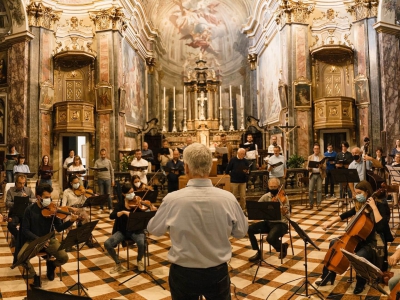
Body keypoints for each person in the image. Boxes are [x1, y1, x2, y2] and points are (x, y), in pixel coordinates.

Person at [147, 143, 248, 300]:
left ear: (186, 168)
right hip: (216, 271)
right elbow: (241, 232)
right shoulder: (228, 198)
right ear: (209, 168)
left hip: (183, 272)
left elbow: (154, 230)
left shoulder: (172, 199)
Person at [319, 180, 392, 294]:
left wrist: (374, 207)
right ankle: (328, 275)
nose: (357, 195)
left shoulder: (379, 205)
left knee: (359, 256)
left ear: (367, 192)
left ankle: (360, 283)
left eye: (359, 193)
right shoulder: (362, 205)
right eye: (356, 192)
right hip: (358, 239)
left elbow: (382, 227)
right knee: (334, 243)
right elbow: (347, 213)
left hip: (372, 241)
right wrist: (330, 223)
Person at [19, 184, 78, 282]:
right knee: (21, 257)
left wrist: (71, 221)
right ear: (38, 197)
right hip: (34, 240)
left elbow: (59, 228)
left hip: (50, 240)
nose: (49, 200)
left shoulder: (53, 209)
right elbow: (25, 230)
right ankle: (35, 276)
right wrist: (39, 240)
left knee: (64, 258)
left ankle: (51, 265)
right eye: (46, 197)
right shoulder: (29, 210)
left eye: (50, 197)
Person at [104, 182, 157, 274]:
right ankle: (118, 264)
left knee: (141, 243)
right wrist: (122, 212)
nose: (132, 194)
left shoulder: (138, 202)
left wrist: (151, 207)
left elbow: (148, 211)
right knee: (107, 244)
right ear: (124, 194)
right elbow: (111, 216)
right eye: (129, 193)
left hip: (136, 230)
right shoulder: (120, 205)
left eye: (133, 192)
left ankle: (139, 260)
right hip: (123, 231)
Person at [248, 177, 290, 262]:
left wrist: (283, 211)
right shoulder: (265, 196)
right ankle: (258, 252)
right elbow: (257, 207)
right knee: (250, 229)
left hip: (281, 224)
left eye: (275, 187)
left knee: (270, 238)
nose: (273, 189)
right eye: (271, 187)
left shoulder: (284, 197)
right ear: (268, 186)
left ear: (279, 187)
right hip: (268, 223)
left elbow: (288, 215)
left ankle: (282, 247)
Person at [6, 174, 36, 242]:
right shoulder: (10, 191)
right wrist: (18, 203)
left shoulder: (28, 190)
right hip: (15, 213)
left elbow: (34, 200)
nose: (22, 185)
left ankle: (18, 239)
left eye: (23, 183)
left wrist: (27, 199)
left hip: (26, 214)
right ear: (16, 182)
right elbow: (7, 203)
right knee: (10, 225)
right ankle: (19, 238)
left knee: (31, 226)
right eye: (20, 183)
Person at [305, 143, 326, 210]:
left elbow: (325, 167)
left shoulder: (322, 157)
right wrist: (308, 168)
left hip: (319, 175)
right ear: (313, 149)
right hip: (312, 174)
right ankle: (311, 204)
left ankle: (319, 204)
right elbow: (307, 166)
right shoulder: (310, 157)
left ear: (319, 149)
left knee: (319, 190)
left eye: (317, 148)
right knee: (310, 190)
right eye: (315, 148)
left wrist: (321, 166)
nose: (316, 150)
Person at [94, 148, 115, 213]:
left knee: (108, 194)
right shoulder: (97, 161)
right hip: (100, 179)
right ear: (100, 154)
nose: (103, 156)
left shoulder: (108, 161)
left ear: (106, 154)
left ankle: (110, 208)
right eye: (102, 154)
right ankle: (101, 208)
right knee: (101, 194)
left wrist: (112, 180)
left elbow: (111, 171)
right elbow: (95, 169)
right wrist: (96, 170)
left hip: (108, 179)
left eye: (104, 154)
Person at [335, 141, 353, 206]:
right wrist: (338, 165)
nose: (343, 148)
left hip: (348, 172)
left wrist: (348, 166)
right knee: (341, 187)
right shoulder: (338, 154)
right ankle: (341, 200)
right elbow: (336, 163)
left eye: (345, 146)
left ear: (347, 147)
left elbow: (352, 163)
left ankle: (351, 200)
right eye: (342, 146)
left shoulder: (350, 154)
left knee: (349, 187)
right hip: (341, 172)